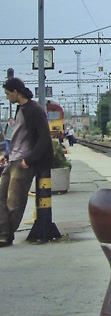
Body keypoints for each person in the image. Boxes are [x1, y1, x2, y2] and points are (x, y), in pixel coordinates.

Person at [0, 78, 54, 247]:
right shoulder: (21, 109)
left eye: (8, 94)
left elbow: (45, 137)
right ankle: (3, 232)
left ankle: (5, 235)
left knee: (14, 203)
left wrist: (29, 160)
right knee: (1, 198)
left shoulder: (34, 109)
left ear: (16, 92)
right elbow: (19, 137)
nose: (7, 97)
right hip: (13, 160)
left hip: (23, 162)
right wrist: (7, 155)